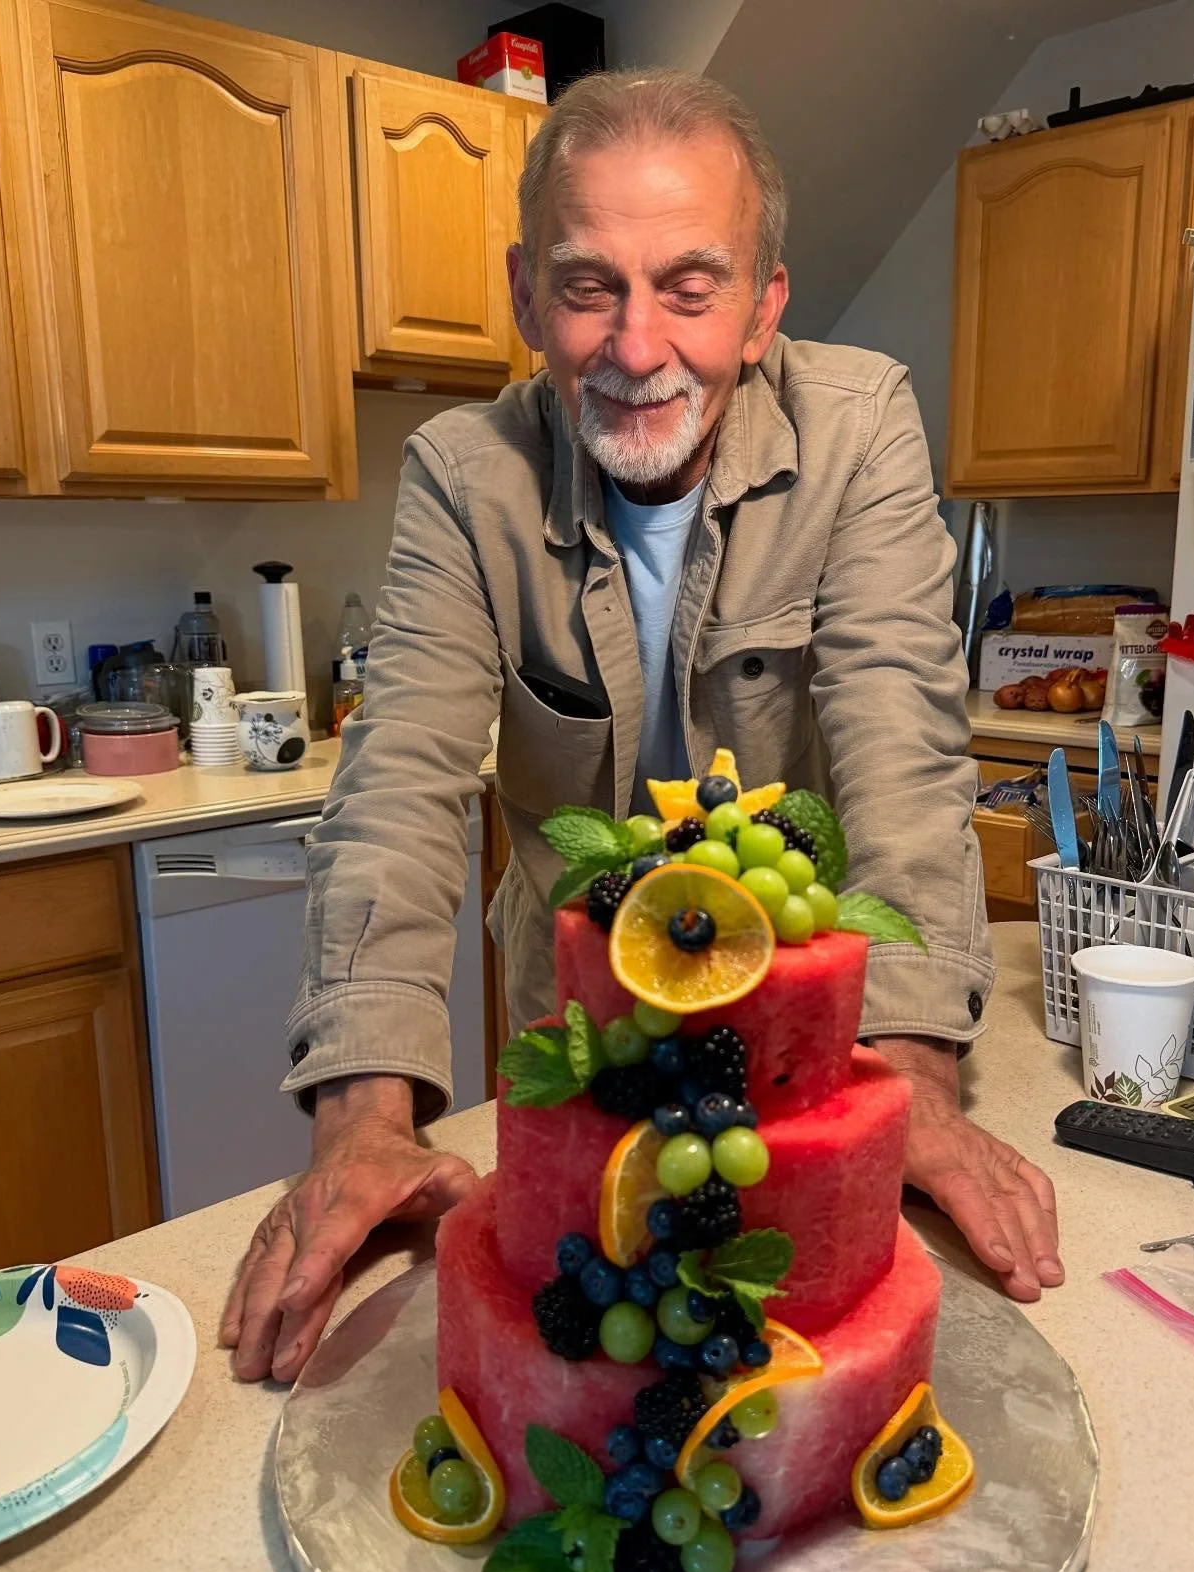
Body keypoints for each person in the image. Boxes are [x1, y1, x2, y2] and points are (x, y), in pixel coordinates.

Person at [221, 69, 1063, 1383]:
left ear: (766, 302)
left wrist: (917, 1087)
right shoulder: (460, 474)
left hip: (807, 1039)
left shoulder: (860, 429)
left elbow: (902, 756)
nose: (633, 344)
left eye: (691, 285)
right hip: (570, 1036)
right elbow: (399, 789)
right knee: (588, 1377)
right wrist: (363, 1121)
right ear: (524, 294)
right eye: (586, 284)